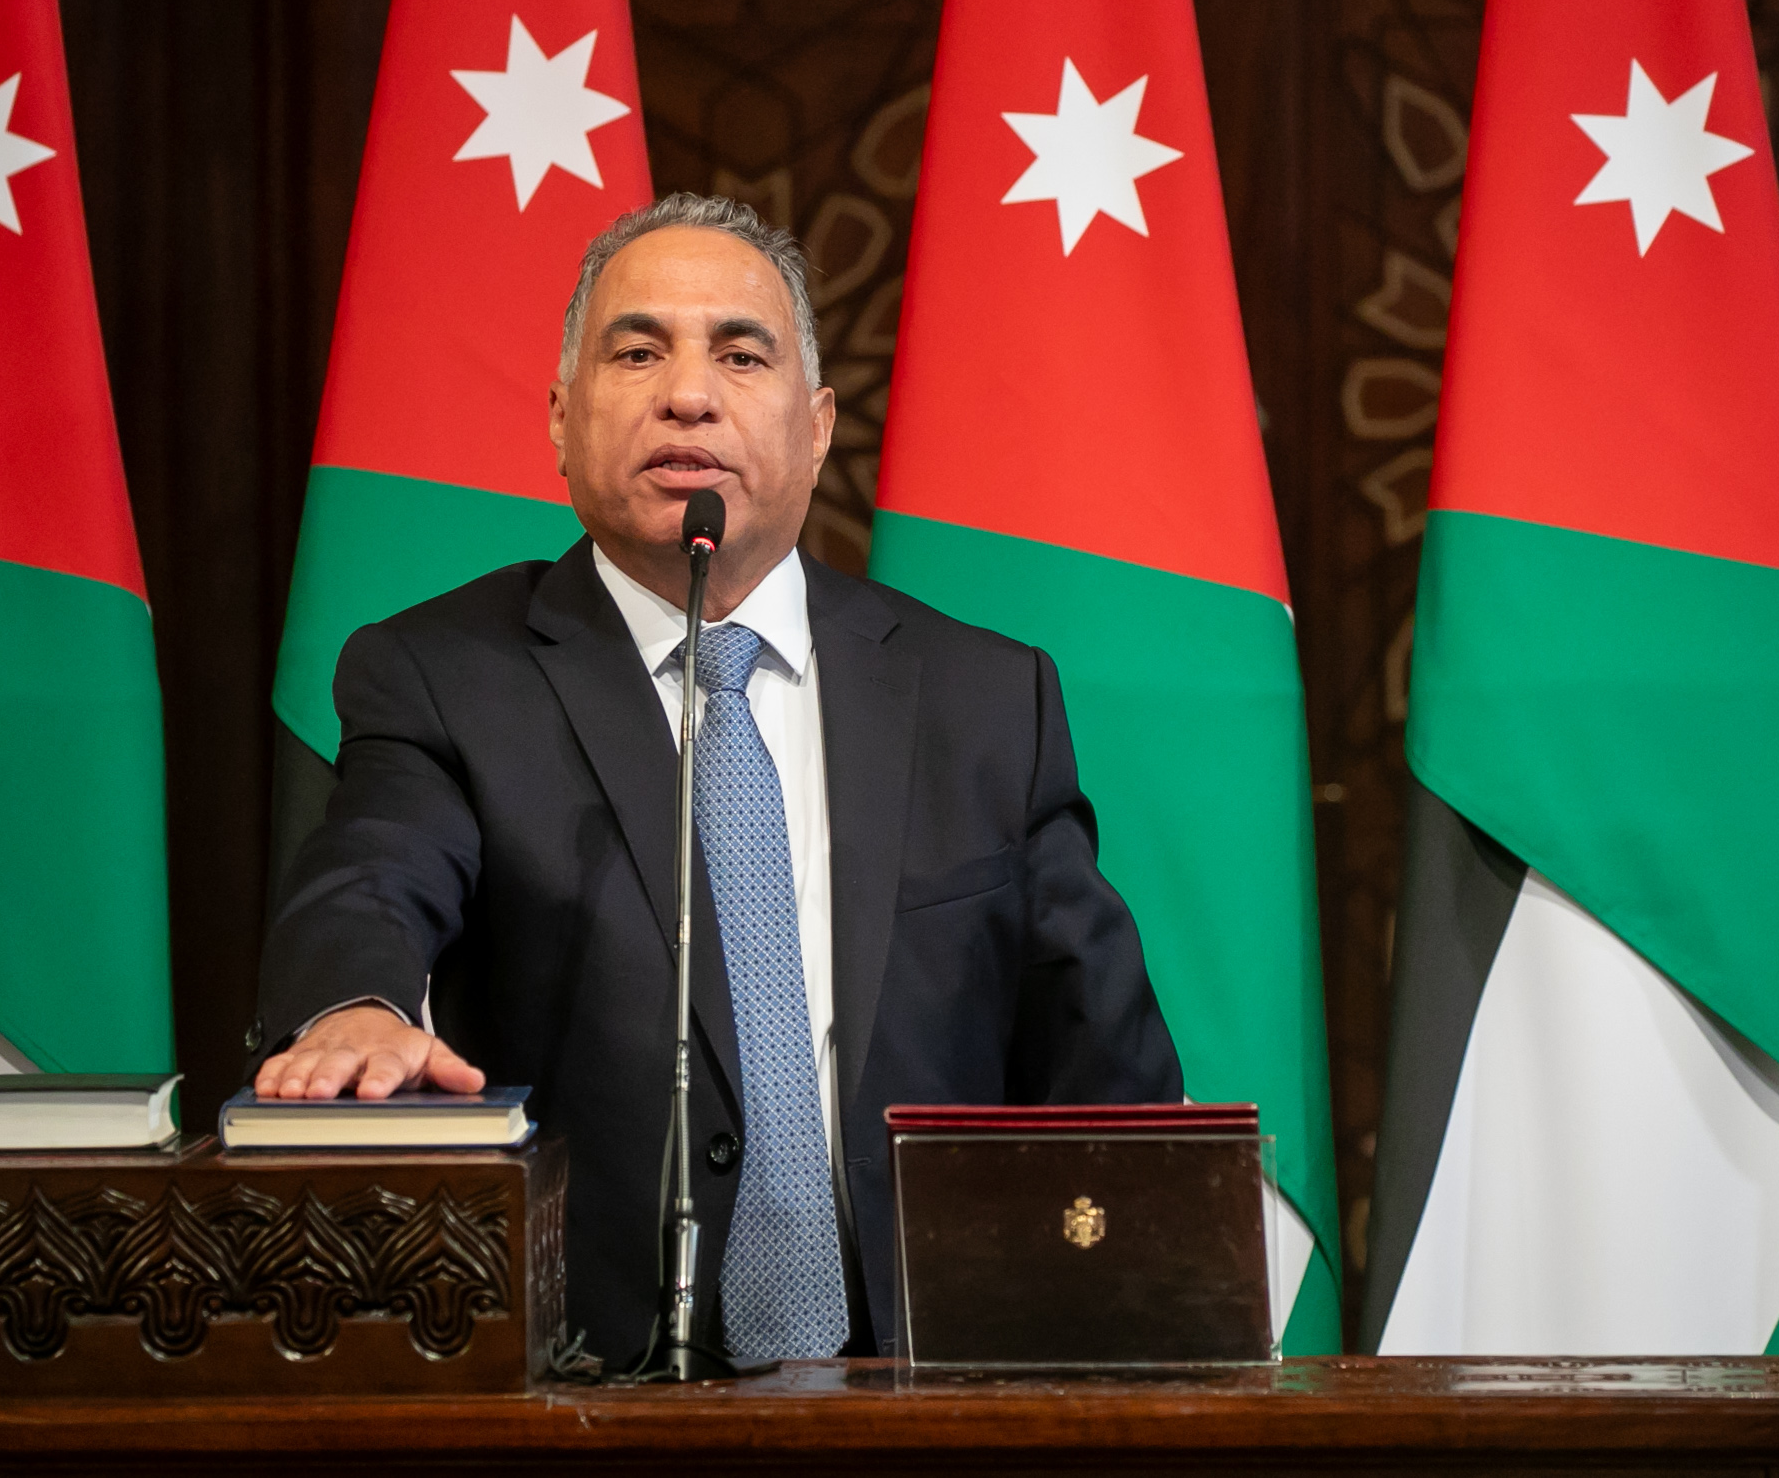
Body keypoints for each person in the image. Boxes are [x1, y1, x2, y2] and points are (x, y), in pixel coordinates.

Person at [253, 192, 1181, 1366]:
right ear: (560, 416)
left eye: (741, 355)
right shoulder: (445, 675)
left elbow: (1107, 1082)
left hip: (931, 1394)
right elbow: (371, 873)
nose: (688, 393)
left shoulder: (984, 698)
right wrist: (354, 1005)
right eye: (636, 351)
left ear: (816, 424)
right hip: (593, 1395)